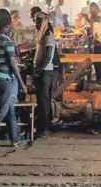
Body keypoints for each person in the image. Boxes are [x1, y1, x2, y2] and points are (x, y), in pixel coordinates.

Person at [0, 17, 27, 151]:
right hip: (5, 79)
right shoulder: (8, 41)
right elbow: (13, 64)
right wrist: (22, 83)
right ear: (8, 26)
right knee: (1, 111)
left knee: (9, 108)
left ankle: (15, 140)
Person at [33, 11, 57, 139]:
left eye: (39, 20)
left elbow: (48, 56)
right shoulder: (41, 35)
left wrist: (40, 69)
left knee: (44, 101)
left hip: (46, 72)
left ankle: (46, 129)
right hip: (42, 71)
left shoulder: (48, 35)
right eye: (35, 20)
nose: (36, 23)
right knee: (41, 101)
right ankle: (42, 127)